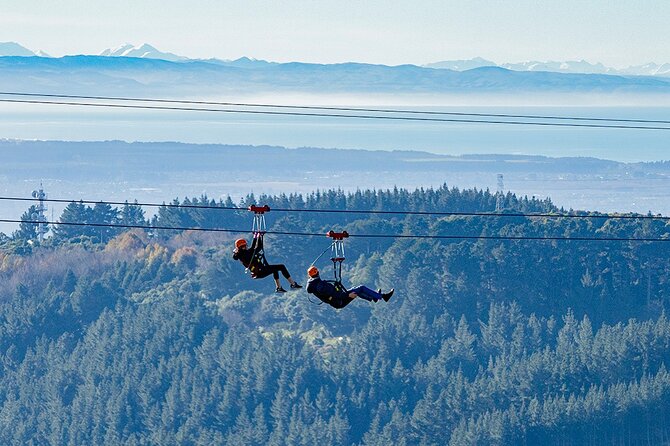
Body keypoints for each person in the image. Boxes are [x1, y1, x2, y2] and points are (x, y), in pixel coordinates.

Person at [233, 236, 302, 293]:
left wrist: (257, 237)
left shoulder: (241, 254)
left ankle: (279, 288)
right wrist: (258, 237)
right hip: (261, 271)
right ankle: (292, 284)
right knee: (281, 266)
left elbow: (254, 248)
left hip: (259, 271)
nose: (246, 247)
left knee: (275, 270)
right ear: (241, 247)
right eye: (244, 246)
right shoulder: (246, 253)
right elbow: (257, 247)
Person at [306, 266, 393, 309]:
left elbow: (332, 293)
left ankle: (374, 297)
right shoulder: (321, 286)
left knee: (357, 290)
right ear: (317, 273)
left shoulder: (312, 284)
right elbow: (334, 294)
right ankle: (382, 297)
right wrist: (348, 296)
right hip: (339, 301)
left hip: (337, 300)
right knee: (361, 288)